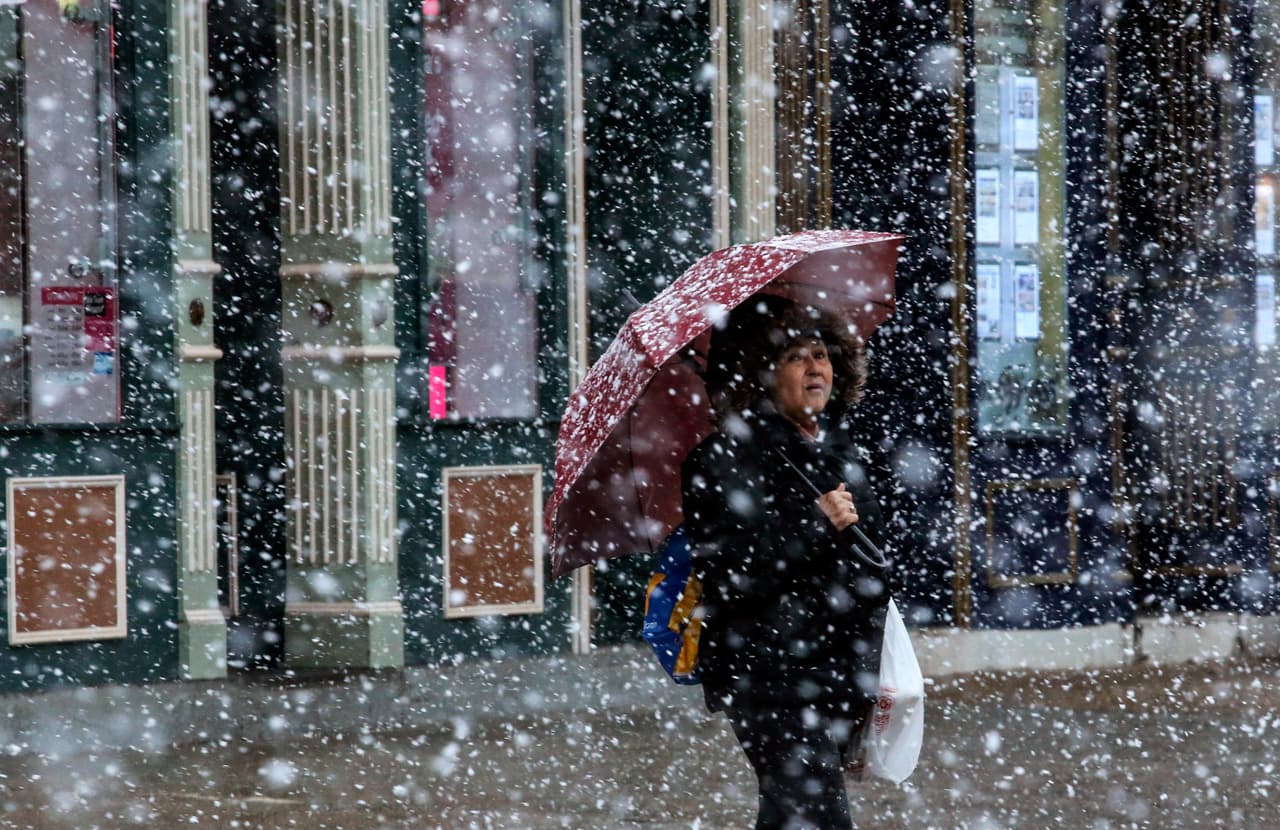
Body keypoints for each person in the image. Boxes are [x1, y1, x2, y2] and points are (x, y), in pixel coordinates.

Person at [681, 295, 891, 830]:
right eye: (796, 357)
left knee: (788, 816)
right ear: (760, 374)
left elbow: (869, 563)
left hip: (835, 673)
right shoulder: (722, 458)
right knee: (819, 817)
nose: (816, 368)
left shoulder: (840, 451)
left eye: (821, 354)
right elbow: (730, 575)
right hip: (766, 674)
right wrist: (813, 526)